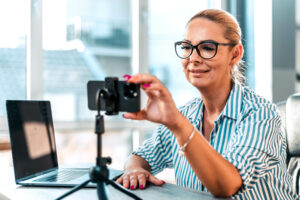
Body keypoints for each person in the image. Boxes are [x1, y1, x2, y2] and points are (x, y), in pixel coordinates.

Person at [116, 9, 298, 199]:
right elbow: (140, 156)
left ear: (235, 54)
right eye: (187, 47)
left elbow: (226, 186)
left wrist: (178, 125)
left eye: (207, 48)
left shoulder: (261, 114)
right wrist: (134, 170)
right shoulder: (185, 114)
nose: (193, 58)